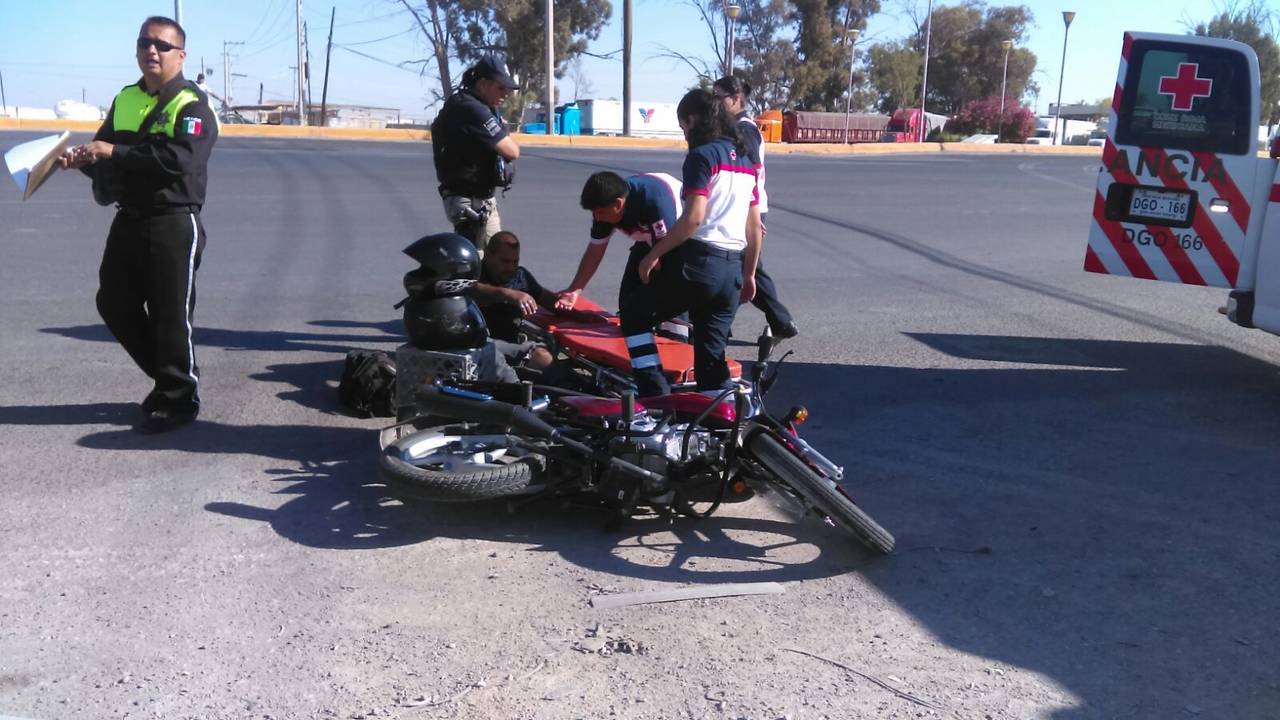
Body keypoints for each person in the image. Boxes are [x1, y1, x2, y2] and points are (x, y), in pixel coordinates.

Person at [58, 16, 218, 433]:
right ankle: (171, 380)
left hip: (173, 221)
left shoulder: (192, 104)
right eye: (145, 43)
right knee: (113, 303)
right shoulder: (126, 99)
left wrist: (113, 151)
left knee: (170, 314)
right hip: (129, 218)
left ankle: (180, 397)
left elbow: (180, 162)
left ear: (180, 56)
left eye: (163, 46)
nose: (152, 51)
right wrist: (78, 162)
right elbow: (107, 159)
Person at [618, 89, 762, 398]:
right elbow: (755, 227)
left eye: (683, 125)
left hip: (699, 265)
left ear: (693, 119)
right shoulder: (747, 159)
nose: (684, 133)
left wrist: (653, 254)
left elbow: (694, 218)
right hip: (732, 272)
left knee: (634, 314)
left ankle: (654, 393)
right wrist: (749, 275)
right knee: (711, 364)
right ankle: (721, 424)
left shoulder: (702, 156)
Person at [557, 171, 691, 341]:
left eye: (599, 212)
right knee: (628, 306)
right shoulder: (606, 206)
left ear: (619, 204)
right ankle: (638, 352)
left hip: (678, 238)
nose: (596, 218)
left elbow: (664, 261)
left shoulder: (654, 203)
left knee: (670, 303)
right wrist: (574, 290)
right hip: (650, 237)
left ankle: (679, 344)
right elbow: (595, 250)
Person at [712, 75, 798, 339]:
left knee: (738, 269)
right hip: (745, 207)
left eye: (719, 97)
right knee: (748, 269)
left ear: (736, 98)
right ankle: (780, 321)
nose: (714, 102)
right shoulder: (732, 126)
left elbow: (748, 172)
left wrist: (752, 216)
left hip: (748, 208)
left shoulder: (745, 129)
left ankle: (721, 326)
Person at [430, 56, 520, 250]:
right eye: (500, 87)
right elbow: (511, 151)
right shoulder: (472, 109)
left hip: (477, 198)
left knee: (496, 261)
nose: (505, 94)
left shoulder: (466, 103)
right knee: (477, 266)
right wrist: (503, 129)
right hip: (470, 202)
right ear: (483, 84)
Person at [471, 231, 556, 373]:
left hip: (511, 347)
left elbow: (550, 301)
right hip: (479, 347)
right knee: (542, 358)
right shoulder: (474, 273)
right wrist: (508, 294)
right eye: (504, 261)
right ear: (488, 255)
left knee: (548, 357)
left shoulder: (520, 276)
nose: (510, 268)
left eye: (515, 261)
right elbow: (472, 288)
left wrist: (582, 316)